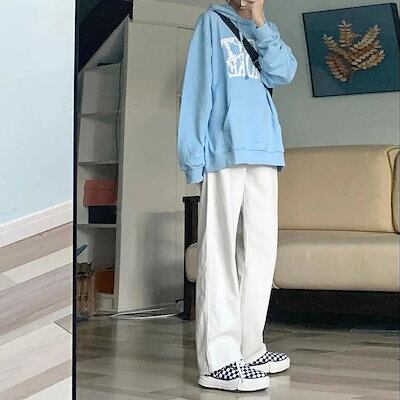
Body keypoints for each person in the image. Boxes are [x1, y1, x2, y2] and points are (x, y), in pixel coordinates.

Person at [177, 0, 297, 392]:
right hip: (222, 152)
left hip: (265, 150)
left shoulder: (264, 28)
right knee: (219, 250)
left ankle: (248, 347)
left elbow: (283, 72)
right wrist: (193, 157)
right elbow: (197, 91)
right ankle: (218, 360)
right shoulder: (211, 23)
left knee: (261, 252)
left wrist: (258, 20)